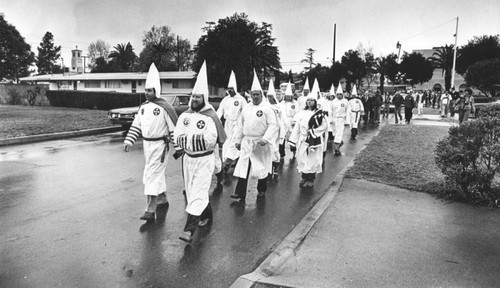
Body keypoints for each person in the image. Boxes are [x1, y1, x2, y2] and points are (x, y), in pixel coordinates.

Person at [173, 61, 226, 243]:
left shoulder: (210, 117)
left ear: (204, 98)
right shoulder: (185, 116)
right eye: (193, 97)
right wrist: (189, 141)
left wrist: (188, 141)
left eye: (198, 97)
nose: (194, 100)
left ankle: (189, 230)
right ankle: (208, 215)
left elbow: (211, 139)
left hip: (204, 160)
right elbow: (177, 135)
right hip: (188, 160)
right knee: (192, 191)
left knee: (199, 190)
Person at [123, 63, 178, 222]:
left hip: (161, 146)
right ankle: (162, 199)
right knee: (154, 172)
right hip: (147, 146)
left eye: (150, 90)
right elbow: (136, 125)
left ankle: (150, 209)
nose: (147, 93)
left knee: (151, 174)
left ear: (156, 91)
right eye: (146, 90)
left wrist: (178, 147)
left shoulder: (164, 107)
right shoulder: (143, 107)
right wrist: (129, 140)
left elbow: (173, 127)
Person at [230, 70, 279, 201]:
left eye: (257, 94)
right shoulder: (247, 107)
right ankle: (239, 192)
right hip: (247, 141)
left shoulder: (267, 108)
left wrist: (266, 139)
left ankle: (262, 189)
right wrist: (238, 140)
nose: (255, 97)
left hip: (260, 142)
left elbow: (273, 125)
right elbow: (241, 124)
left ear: (261, 95)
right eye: (253, 94)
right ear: (250, 95)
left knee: (260, 167)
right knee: (243, 167)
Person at [289, 90, 328, 187]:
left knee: (312, 159)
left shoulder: (319, 114)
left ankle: (310, 179)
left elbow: (324, 126)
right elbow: (297, 127)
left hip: (314, 139)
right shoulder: (302, 113)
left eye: (312, 100)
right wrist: (293, 141)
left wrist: (312, 132)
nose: (310, 102)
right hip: (303, 139)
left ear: (315, 102)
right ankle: (304, 177)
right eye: (308, 100)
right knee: (302, 158)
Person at [216, 70, 247, 171]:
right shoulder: (225, 99)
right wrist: (216, 120)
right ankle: (227, 159)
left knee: (234, 141)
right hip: (227, 123)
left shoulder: (241, 99)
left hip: (237, 123)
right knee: (226, 141)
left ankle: (228, 161)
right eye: (228, 89)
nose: (229, 90)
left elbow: (245, 111)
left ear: (235, 89)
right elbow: (220, 110)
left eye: (231, 89)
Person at [266, 79, 287, 175]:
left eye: (271, 96)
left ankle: (276, 163)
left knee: (274, 148)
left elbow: (284, 120)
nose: (269, 98)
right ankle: (268, 166)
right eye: (268, 96)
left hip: (276, 131)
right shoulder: (265, 107)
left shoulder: (279, 107)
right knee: (267, 149)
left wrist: (284, 131)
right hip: (267, 130)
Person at [278, 83, 298, 158]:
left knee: (292, 137)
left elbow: (297, 113)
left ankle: (293, 151)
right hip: (283, 122)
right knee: (282, 138)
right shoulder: (281, 104)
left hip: (292, 121)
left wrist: (294, 121)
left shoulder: (295, 103)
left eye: (290, 96)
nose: (288, 97)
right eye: (287, 96)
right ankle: (282, 154)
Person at [330, 84, 351, 155]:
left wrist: (347, 121)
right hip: (334, 120)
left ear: (342, 95)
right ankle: (340, 143)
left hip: (341, 120)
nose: (339, 96)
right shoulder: (333, 102)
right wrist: (330, 120)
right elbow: (330, 111)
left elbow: (348, 111)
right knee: (335, 134)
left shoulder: (345, 101)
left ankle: (336, 149)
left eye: (340, 94)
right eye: (338, 94)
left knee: (339, 133)